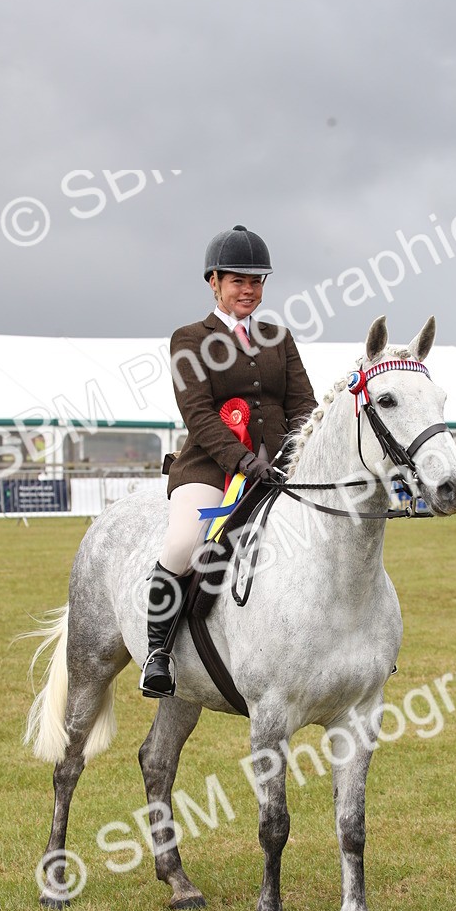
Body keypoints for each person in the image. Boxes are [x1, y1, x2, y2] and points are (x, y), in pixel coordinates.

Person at [140, 225, 318, 699]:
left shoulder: (278, 337)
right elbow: (197, 413)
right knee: (183, 541)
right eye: (239, 280)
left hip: (278, 467)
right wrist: (243, 460)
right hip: (210, 467)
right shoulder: (189, 338)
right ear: (213, 281)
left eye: (257, 281)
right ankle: (157, 653)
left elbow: (304, 405)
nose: (249, 290)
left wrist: (293, 454)